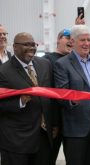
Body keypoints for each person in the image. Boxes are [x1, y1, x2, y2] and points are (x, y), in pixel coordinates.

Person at [54, 25, 90, 165]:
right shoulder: (62, 64)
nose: (87, 43)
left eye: (89, 40)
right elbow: (61, 93)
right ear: (72, 42)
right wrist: (73, 100)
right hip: (76, 124)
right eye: (82, 40)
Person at [0, 32, 54, 165]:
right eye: (26, 44)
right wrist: (20, 101)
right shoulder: (3, 71)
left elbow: (52, 95)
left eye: (33, 44)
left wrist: (55, 123)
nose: (31, 48)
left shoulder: (45, 64)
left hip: (44, 136)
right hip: (17, 141)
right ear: (15, 47)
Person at [43, 28, 72, 164]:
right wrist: (53, 122)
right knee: (49, 158)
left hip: (71, 121)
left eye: (72, 38)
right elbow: (47, 93)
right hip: (54, 120)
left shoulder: (74, 60)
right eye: (67, 37)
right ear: (58, 39)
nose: (70, 40)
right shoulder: (47, 60)